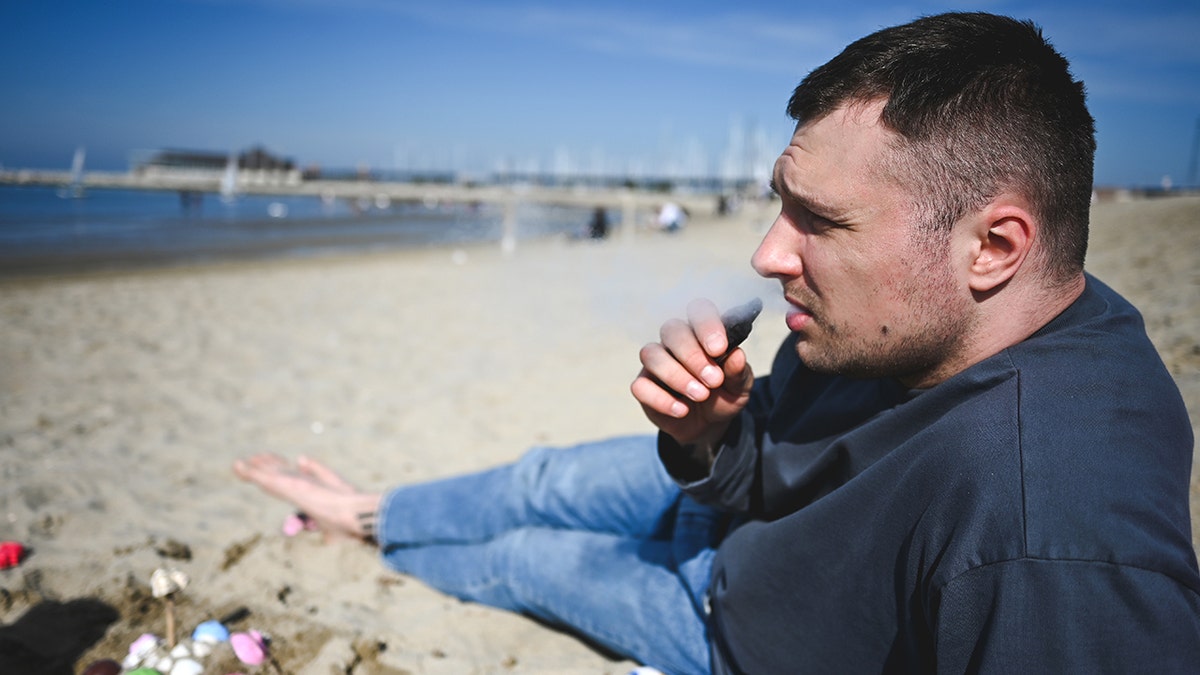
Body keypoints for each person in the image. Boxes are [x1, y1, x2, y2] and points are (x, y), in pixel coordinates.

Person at [235, 12, 1200, 674]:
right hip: (740, 519)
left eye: (819, 220)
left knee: (526, 560)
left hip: (730, 623)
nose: (767, 253)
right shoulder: (923, 322)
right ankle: (361, 509)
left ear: (995, 245)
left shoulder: (1055, 536)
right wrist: (708, 436)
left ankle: (369, 538)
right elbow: (764, 469)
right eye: (779, 204)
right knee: (538, 479)